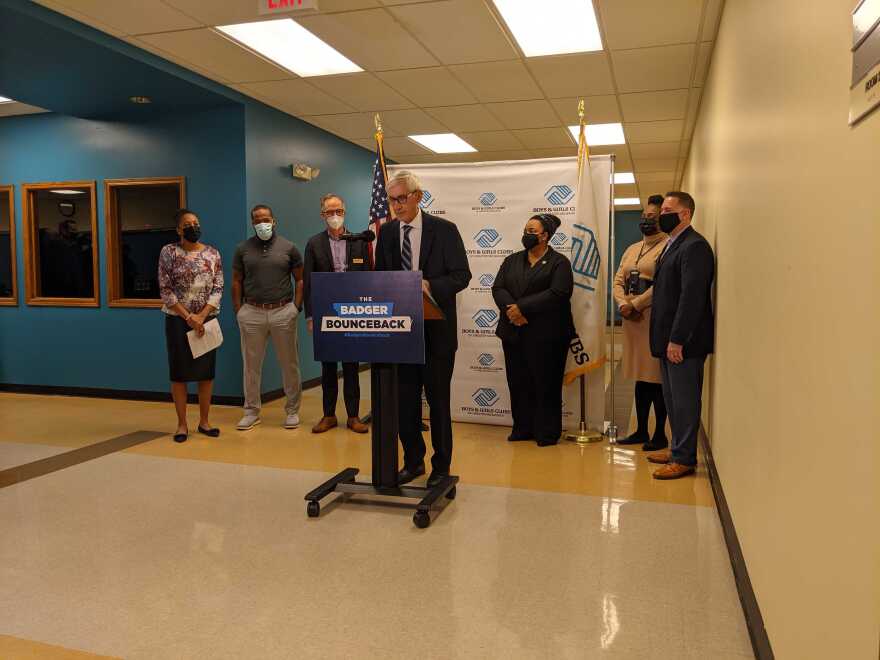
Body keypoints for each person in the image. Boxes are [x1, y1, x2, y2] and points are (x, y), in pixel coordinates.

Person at [374, 171, 471, 487]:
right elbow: (381, 277)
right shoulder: (387, 233)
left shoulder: (444, 231)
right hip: (400, 332)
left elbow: (461, 276)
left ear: (418, 196)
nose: (397, 206)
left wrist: (429, 284)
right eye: (393, 200)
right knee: (405, 402)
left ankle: (441, 467)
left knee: (438, 402)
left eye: (403, 198)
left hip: (437, 334)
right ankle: (413, 461)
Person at [647, 192, 715, 479]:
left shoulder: (695, 246)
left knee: (685, 400)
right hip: (667, 339)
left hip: (683, 342)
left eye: (667, 209)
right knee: (672, 398)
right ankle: (677, 448)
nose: (661, 214)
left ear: (685, 214)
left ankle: (685, 458)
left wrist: (677, 339)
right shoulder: (672, 244)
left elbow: (692, 297)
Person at [492, 213, 575, 446]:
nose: (526, 235)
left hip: (547, 335)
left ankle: (546, 432)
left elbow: (559, 293)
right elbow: (498, 287)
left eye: (532, 231)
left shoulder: (559, 262)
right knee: (518, 382)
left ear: (545, 236)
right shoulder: (512, 260)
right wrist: (512, 311)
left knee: (545, 383)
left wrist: (522, 308)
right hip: (514, 331)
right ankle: (522, 428)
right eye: (525, 230)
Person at [232, 204, 304, 431]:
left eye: (266, 219)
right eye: (257, 220)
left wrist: (296, 307)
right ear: (252, 223)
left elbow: (300, 279)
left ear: (274, 221)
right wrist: (239, 310)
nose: (262, 223)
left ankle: (292, 410)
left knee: (289, 364)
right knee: (251, 366)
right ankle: (251, 411)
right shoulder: (242, 249)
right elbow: (236, 281)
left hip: (283, 311)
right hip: (251, 312)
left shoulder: (289, 248)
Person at [303, 193, 369, 434]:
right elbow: (308, 282)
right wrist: (310, 316)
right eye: (329, 212)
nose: (334, 216)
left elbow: (367, 279)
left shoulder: (359, 241)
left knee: (351, 367)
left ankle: (353, 416)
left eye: (338, 211)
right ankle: (328, 415)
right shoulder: (314, 244)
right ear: (322, 215)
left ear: (345, 212)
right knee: (328, 367)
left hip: (353, 313)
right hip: (325, 314)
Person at [158, 209, 224, 443]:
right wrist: (188, 317)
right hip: (178, 320)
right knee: (179, 374)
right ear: (179, 229)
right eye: (187, 224)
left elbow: (218, 287)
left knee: (205, 374)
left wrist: (202, 315)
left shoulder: (213, 253)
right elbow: (165, 289)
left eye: (196, 222)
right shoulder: (169, 252)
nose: (193, 226)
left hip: (206, 320)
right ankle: (182, 424)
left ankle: (204, 422)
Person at [613, 194, 669, 450]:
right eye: (644, 216)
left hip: (651, 318)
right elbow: (618, 280)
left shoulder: (668, 246)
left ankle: (659, 434)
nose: (646, 220)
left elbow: (663, 286)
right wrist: (623, 303)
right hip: (631, 321)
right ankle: (640, 430)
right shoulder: (632, 248)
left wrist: (635, 304)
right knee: (639, 376)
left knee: (655, 377)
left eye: (652, 217)